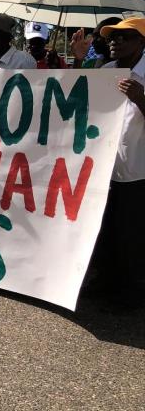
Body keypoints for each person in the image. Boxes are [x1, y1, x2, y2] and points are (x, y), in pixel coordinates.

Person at [89, 18, 145, 295]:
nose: (116, 42)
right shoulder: (107, 70)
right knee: (105, 227)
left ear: (141, 42)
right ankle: (104, 279)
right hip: (104, 167)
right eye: (113, 37)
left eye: (125, 37)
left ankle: (129, 290)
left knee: (131, 232)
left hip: (136, 169)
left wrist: (141, 99)